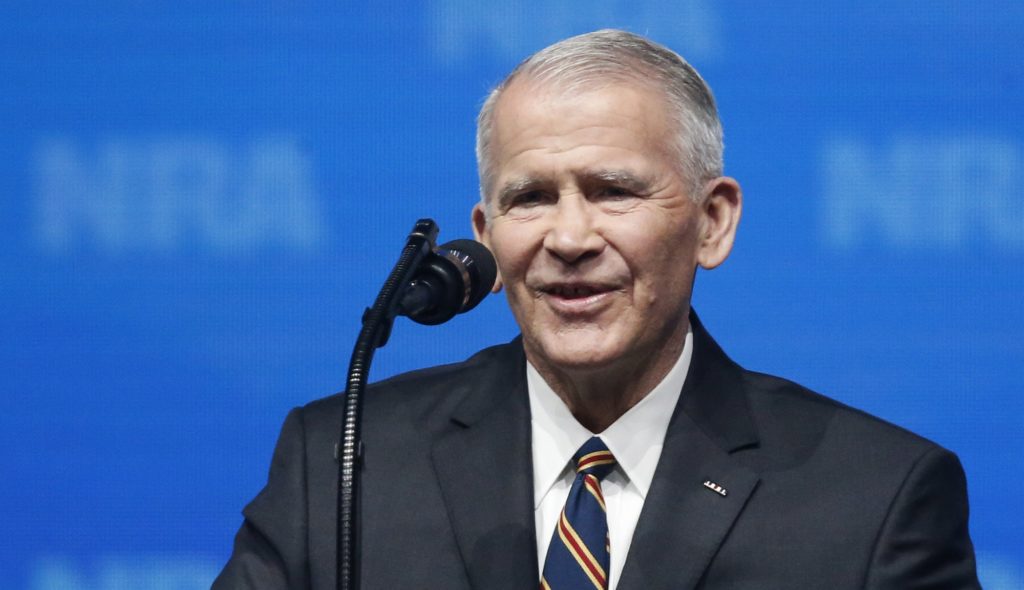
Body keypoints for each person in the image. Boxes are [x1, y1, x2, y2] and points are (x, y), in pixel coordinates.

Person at [215, 29, 979, 589]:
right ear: (486, 237)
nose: (570, 238)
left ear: (712, 223)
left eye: (614, 191)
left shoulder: (876, 497)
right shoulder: (343, 463)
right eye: (530, 198)